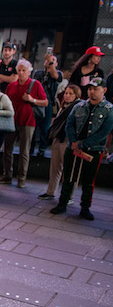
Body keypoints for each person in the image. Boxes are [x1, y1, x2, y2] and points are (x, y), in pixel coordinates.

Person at [50, 77, 113, 221]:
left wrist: (82, 144)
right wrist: (73, 141)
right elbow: (69, 124)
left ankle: (85, 207)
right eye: (90, 89)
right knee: (68, 177)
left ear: (104, 90)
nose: (92, 92)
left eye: (95, 89)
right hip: (73, 147)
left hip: (93, 149)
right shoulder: (79, 106)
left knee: (88, 180)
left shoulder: (109, 110)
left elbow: (104, 132)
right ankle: (62, 203)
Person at [1, 59, 48, 188]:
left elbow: (45, 102)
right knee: (7, 149)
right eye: (19, 70)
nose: (21, 73)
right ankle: (7, 175)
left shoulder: (35, 84)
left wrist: (32, 100)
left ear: (29, 71)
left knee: (24, 151)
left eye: (24, 70)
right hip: (11, 121)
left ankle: (21, 178)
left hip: (28, 121)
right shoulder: (11, 86)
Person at [38, 85, 82, 200]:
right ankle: (51, 191)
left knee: (69, 169)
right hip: (58, 138)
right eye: (66, 93)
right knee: (55, 167)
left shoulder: (78, 107)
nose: (67, 96)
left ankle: (68, 196)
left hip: (68, 140)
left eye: (71, 94)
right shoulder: (63, 106)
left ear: (76, 95)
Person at [32, 52, 63, 156]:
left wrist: (51, 63)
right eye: (48, 60)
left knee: (45, 128)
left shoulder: (58, 73)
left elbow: (55, 76)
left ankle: (42, 148)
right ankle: (31, 147)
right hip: (36, 102)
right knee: (33, 127)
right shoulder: (38, 73)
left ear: (56, 63)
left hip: (49, 103)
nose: (49, 62)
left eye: (52, 61)